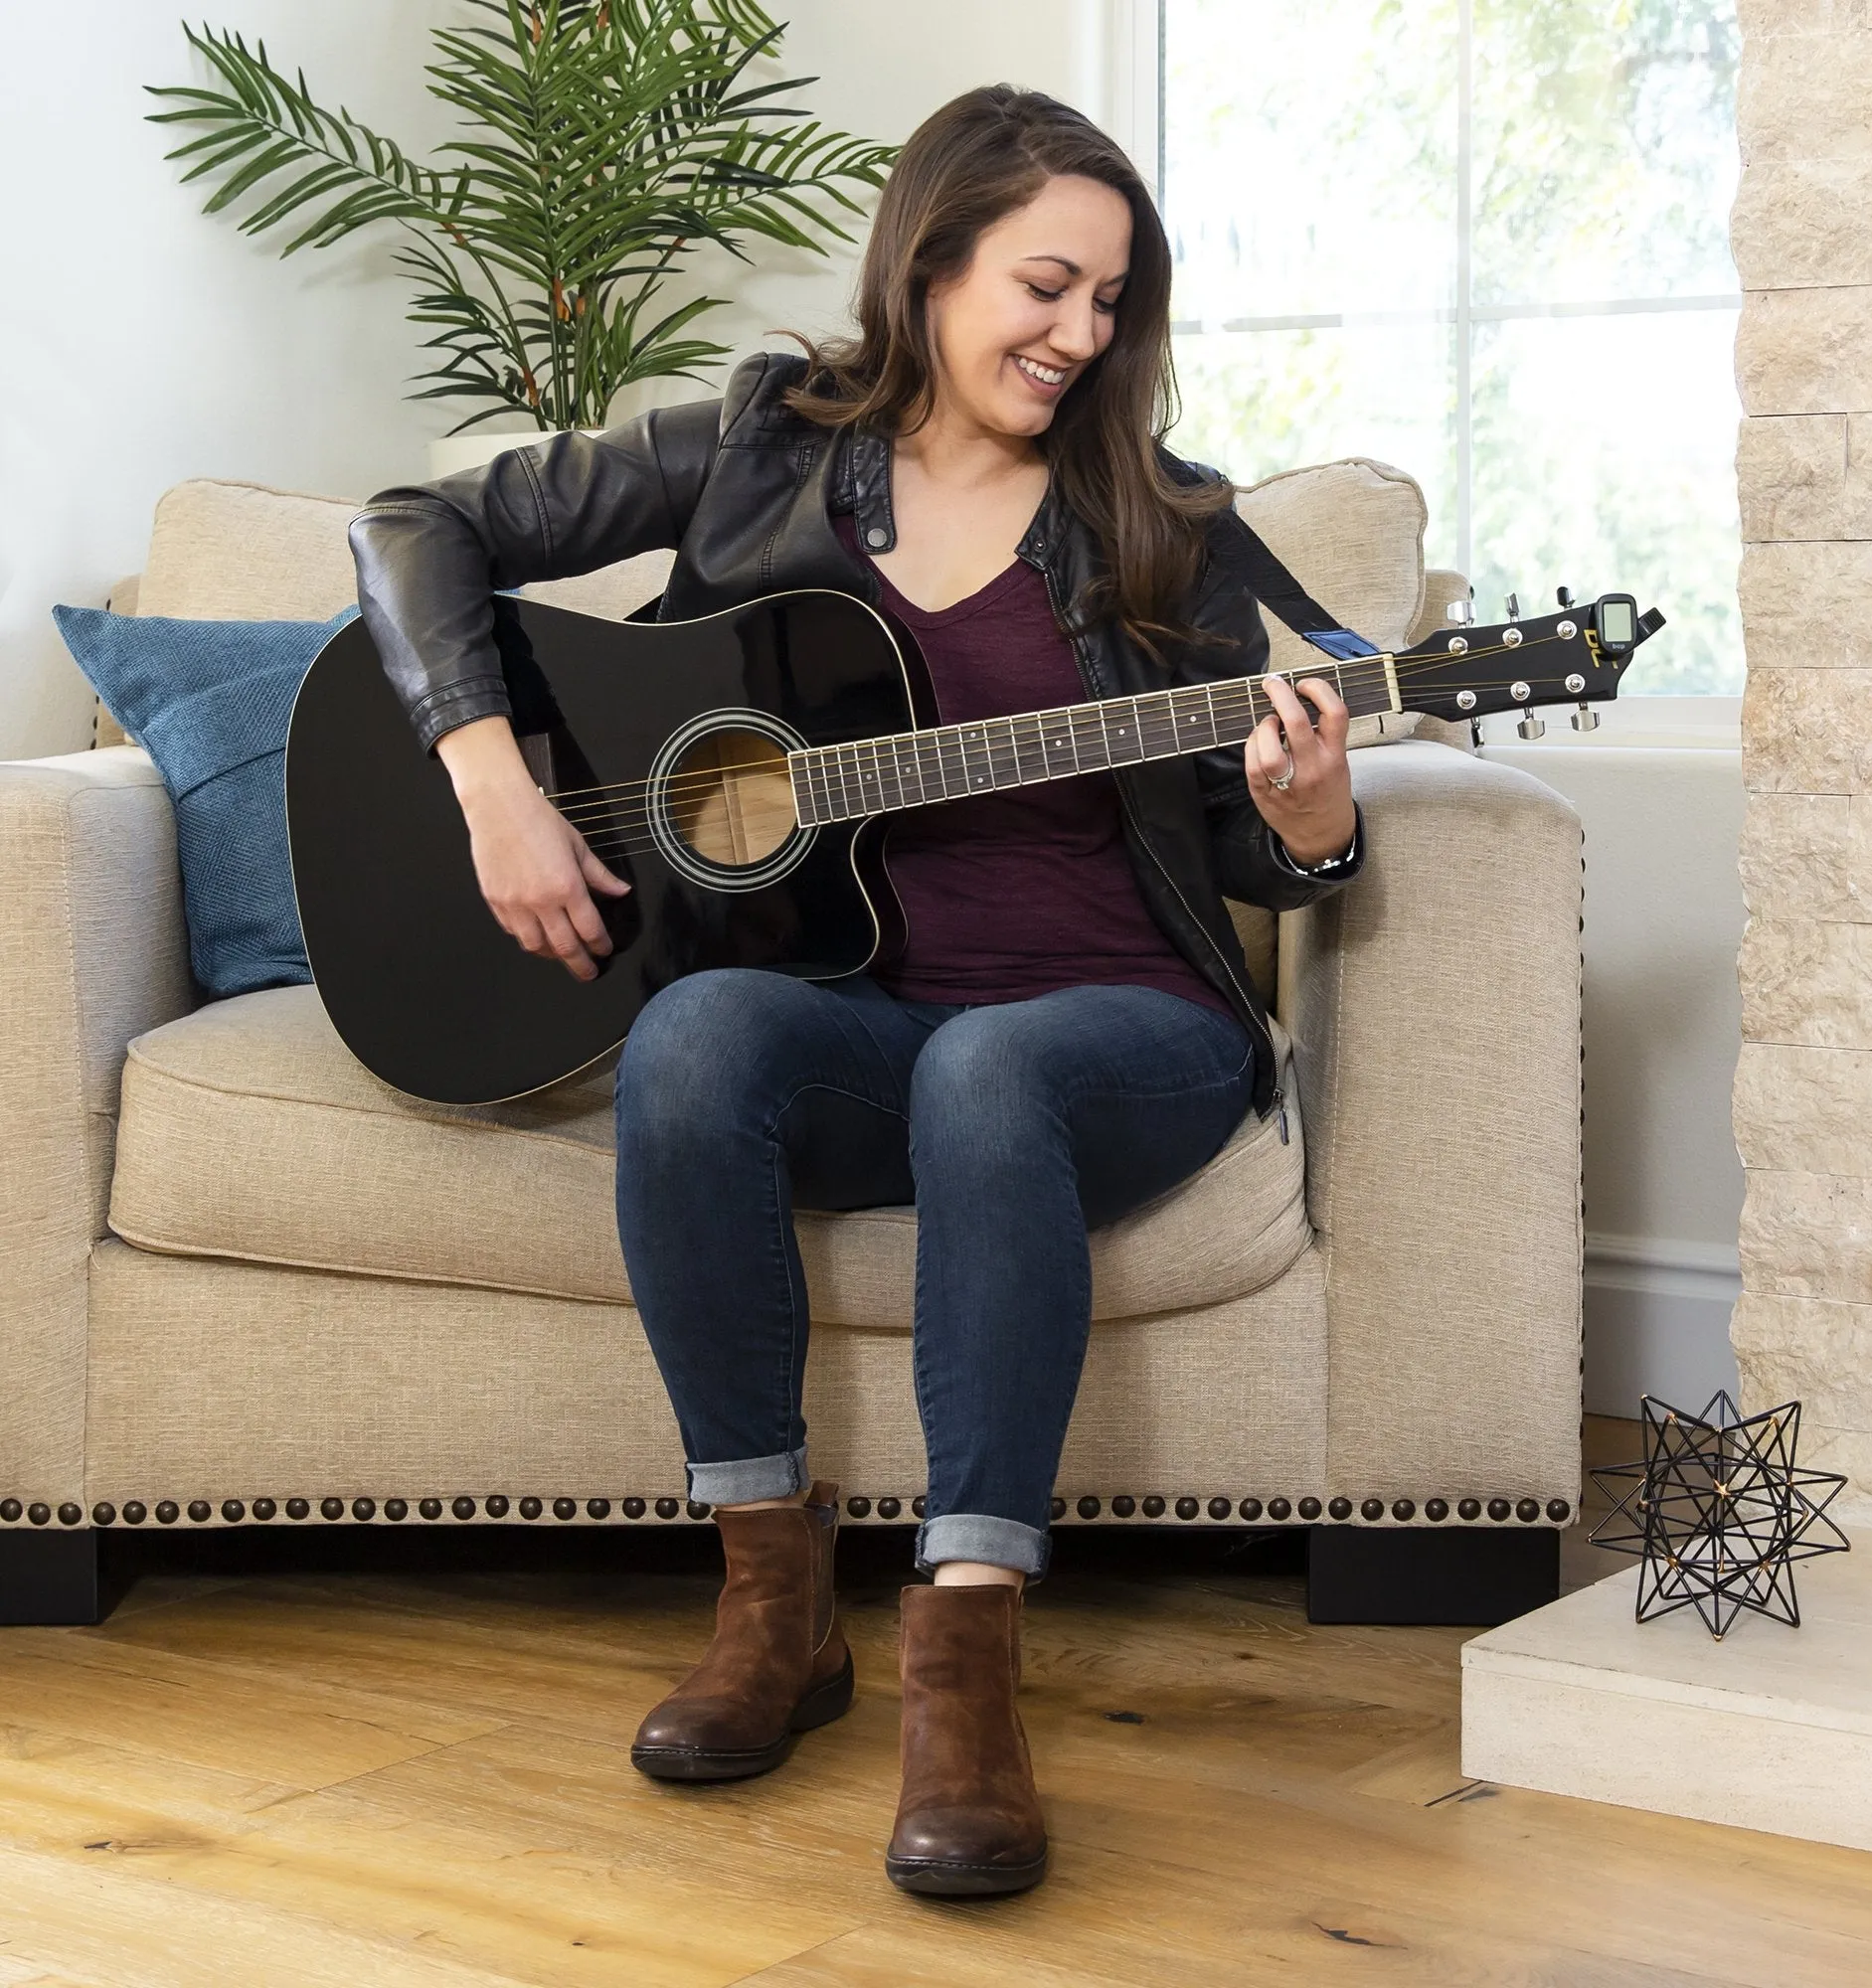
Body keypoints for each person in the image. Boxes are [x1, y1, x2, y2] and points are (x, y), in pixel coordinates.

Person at [348, 83, 1363, 1898]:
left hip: (1123, 1029)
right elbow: (417, 517)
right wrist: (493, 777)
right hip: (862, 1019)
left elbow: (1246, 840)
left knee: (991, 1069)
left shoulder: (1164, 526)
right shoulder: (762, 449)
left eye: (1112, 302)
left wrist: (1313, 816)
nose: (1079, 335)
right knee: (695, 1032)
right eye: (1046, 284)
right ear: (931, 256)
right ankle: (772, 1602)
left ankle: (962, 1675)